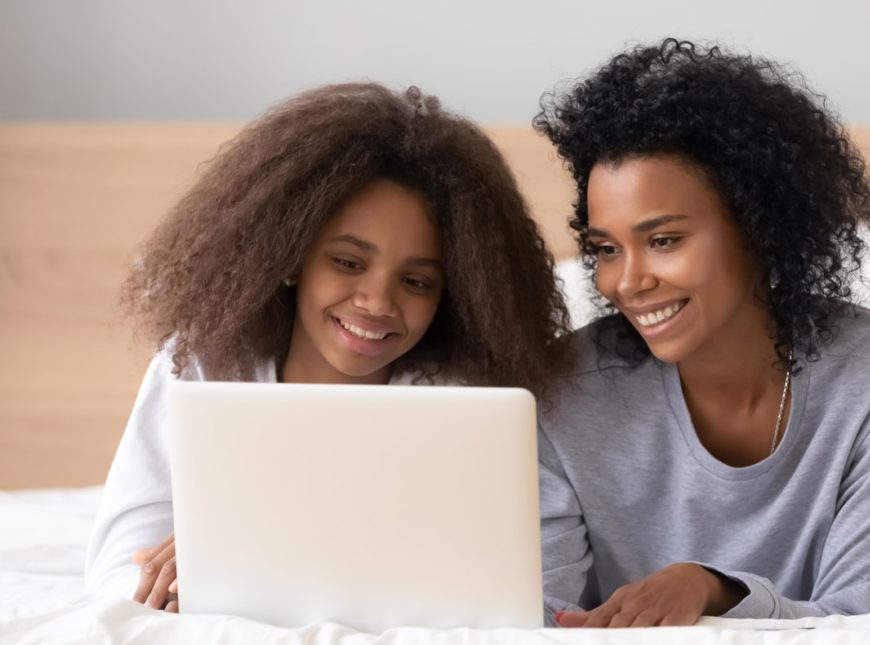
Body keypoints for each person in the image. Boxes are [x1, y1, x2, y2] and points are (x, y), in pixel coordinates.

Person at [85, 83, 572, 611]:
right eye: (347, 262)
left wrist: (250, 560)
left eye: (416, 282)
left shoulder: (474, 402)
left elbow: (531, 590)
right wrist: (179, 589)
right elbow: (118, 571)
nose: (376, 301)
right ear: (290, 257)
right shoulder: (204, 363)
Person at [533, 39, 870, 627]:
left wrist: (712, 589)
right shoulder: (563, 389)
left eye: (663, 240)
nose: (626, 282)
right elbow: (537, 618)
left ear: (760, 229)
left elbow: (861, 622)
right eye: (606, 249)